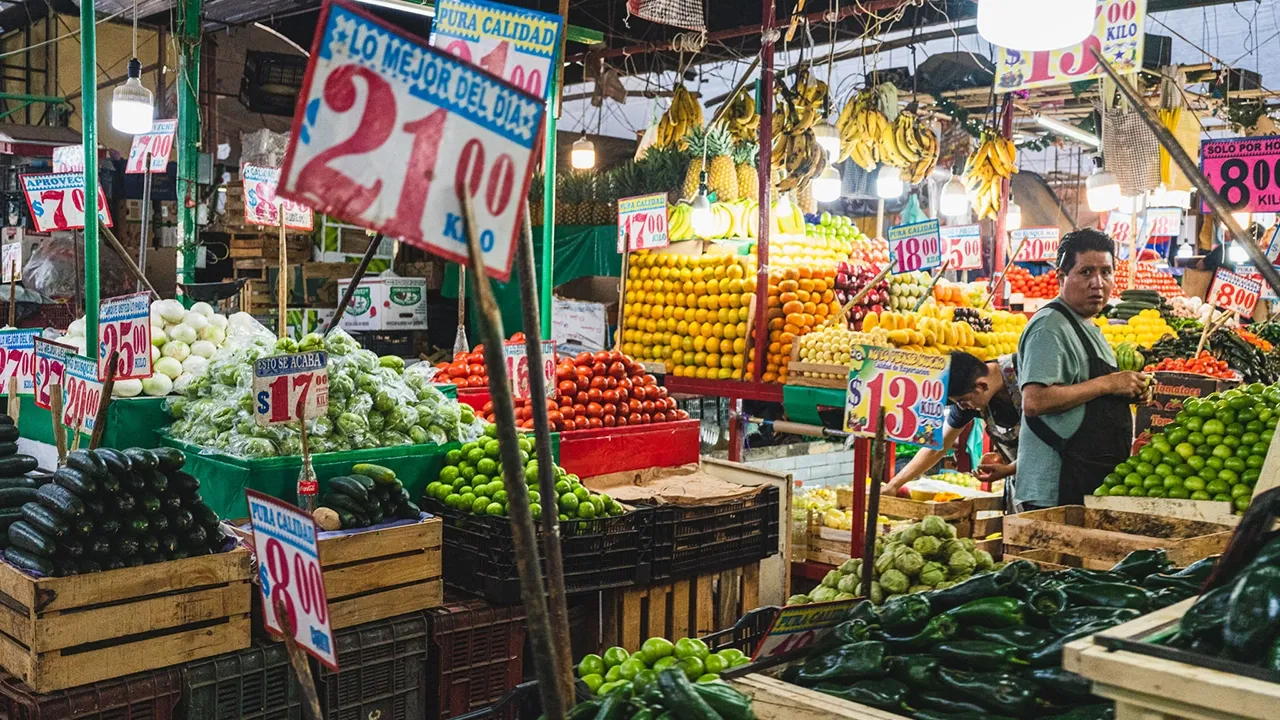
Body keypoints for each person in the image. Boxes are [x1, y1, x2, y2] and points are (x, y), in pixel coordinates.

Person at [1017, 228, 1149, 510]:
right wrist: (1109, 385)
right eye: (1086, 272)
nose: (1098, 283)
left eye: (1106, 271)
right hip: (1056, 487)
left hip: (1085, 479)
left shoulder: (1088, 324)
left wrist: (1125, 391)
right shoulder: (1049, 328)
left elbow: (1087, 390)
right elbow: (1035, 401)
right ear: (1062, 278)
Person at [881, 350, 1021, 497]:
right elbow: (936, 448)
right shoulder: (969, 389)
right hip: (1021, 485)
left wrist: (1011, 468)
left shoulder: (1026, 372)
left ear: (982, 386)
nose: (962, 407)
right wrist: (894, 484)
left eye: (962, 401)